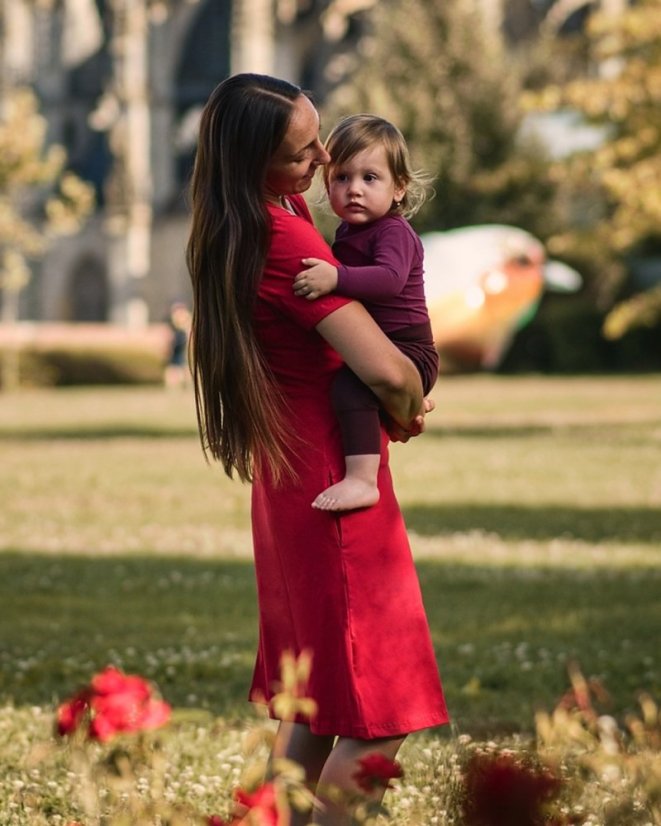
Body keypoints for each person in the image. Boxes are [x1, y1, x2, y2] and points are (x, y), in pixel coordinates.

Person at [186, 74, 448, 826]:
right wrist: (407, 403)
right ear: (255, 166)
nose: (325, 159)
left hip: (287, 478)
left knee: (313, 703)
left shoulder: (242, 219)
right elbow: (386, 368)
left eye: (319, 136)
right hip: (335, 477)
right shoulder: (287, 237)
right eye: (304, 153)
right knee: (380, 709)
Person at [293, 114, 439, 511]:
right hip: (383, 345)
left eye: (370, 178)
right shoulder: (349, 232)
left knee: (350, 387)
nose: (354, 190)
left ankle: (362, 480)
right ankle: (405, 407)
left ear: (399, 188)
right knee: (354, 385)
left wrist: (335, 278)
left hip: (408, 349)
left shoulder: (393, 232)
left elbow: (389, 280)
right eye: (341, 178)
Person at [163, 301, 192, 389]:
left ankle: (186, 386)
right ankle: (175, 387)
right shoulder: (173, 325)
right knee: (173, 370)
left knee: (182, 369)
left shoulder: (184, 323)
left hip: (181, 350)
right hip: (176, 351)